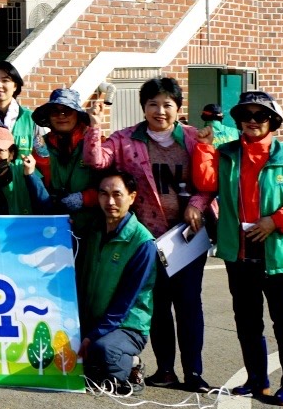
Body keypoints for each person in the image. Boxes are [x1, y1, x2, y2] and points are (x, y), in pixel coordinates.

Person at [191, 91, 283, 406]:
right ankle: (256, 380)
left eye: (259, 115)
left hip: (280, 254)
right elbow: (206, 183)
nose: (251, 121)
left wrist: (276, 221)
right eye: (245, 116)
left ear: (272, 120)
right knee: (247, 318)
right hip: (240, 253)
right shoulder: (227, 154)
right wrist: (204, 147)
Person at [85, 77, 213, 392]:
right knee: (156, 304)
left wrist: (196, 204)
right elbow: (96, 160)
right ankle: (165, 370)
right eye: (153, 104)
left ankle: (194, 373)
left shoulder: (196, 140)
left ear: (178, 108)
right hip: (148, 241)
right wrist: (94, 127)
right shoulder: (126, 139)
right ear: (143, 107)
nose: (160, 111)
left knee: (188, 305)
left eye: (167, 104)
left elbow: (211, 182)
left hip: (186, 237)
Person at [77, 168, 156, 395]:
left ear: (132, 197)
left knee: (102, 351)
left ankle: (132, 367)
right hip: (93, 320)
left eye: (117, 194)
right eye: (103, 194)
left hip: (126, 326)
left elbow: (124, 303)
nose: (110, 201)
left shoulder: (142, 242)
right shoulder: (93, 230)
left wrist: (92, 336)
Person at [31, 88, 100, 235]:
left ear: (77, 115)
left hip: (91, 227)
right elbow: (40, 184)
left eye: (67, 111)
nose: (61, 116)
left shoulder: (95, 142)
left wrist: (84, 198)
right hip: (54, 225)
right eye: (55, 111)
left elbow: (109, 184)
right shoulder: (41, 145)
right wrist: (42, 159)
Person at [0, 125, 48, 214]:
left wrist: (31, 176)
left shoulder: (25, 169)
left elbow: (46, 205)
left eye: (0, 150)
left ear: (11, 154)